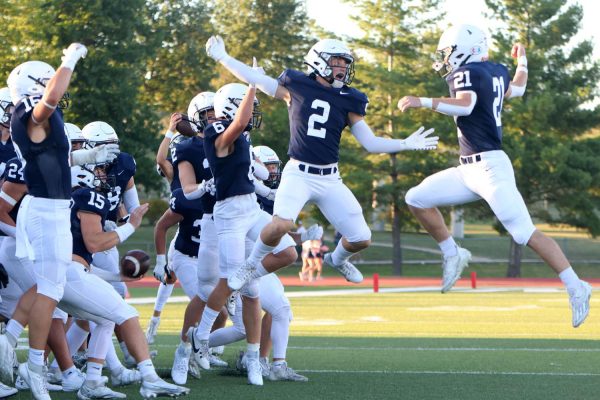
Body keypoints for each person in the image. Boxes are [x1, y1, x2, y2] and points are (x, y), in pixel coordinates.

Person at [204, 36, 439, 292]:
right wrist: (223, 57)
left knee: (361, 239)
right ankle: (251, 264)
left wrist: (405, 143)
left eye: (345, 63)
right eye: (337, 61)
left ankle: (337, 259)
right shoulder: (296, 85)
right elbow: (257, 80)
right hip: (299, 173)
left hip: (330, 178)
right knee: (281, 224)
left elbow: (370, 143)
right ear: (319, 61)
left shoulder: (351, 98)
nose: (342, 68)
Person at [397, 24, 591, 327]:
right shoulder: (495, 70)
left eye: (448, 52)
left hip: (489, 168)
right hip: (468, 169)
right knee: (416, 198)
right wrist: (522, 61)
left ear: (463, 49)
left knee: (524, 232)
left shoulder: (468, 74)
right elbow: (519, 88)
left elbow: (466, 105)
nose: (446, 59)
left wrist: (422, 101)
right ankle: (453, 253)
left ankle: (576, 285)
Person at [2, 44, 120, 399]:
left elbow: (55, 157)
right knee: (50, 290)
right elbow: (51, 99)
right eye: (47, 78)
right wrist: (68, 60)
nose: (54, 83)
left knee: (46, 289)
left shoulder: (37, 119)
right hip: (44, 210)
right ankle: (34, 366)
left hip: (51, 207)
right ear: (32, 85)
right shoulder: (29, 111)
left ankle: (18, 351)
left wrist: (88, 155)